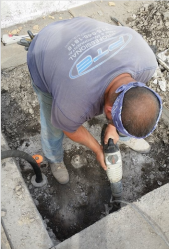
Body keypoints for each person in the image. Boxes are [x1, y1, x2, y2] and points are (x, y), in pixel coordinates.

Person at [27, 17, 162, 184]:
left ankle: (127, 135)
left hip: (83, 30)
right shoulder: (72, 103)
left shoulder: (147, 63)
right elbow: (70, 129)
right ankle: (54, 158)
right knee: (52, 124)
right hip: (45, 48)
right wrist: (97, 149)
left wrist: (114, 126)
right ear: (107, 111)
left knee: (130, 111)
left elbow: (130, 100)